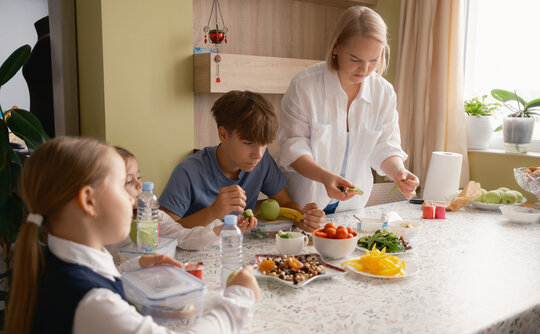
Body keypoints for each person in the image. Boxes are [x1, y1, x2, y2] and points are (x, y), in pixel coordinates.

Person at [2, 137, 259, 334]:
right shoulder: (91, 303)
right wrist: (238, 298)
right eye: (122, 186)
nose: (134, 197)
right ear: (89, 201)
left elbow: (93, 280)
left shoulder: (56, 262)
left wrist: (132, 268)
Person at [278, 6, 419, 214]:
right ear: (336, 47)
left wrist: (399, 171)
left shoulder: (384, 92)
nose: (364, 70)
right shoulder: (305, 85)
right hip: (305, 208)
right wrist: (325, 177)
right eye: (355, 59)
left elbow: (385, 146)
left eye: (373, 60)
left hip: (352, 209)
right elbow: (293, 148)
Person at [159, 91, 325, 232]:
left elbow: (286, 202)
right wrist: (213, 212)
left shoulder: (262, 162)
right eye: (247, 143)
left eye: (263, 143)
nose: (258, 154)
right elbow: (162, 230)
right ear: (223, 134)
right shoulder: (188, 172)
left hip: (233, 250)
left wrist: (303, 217)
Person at [113, 146, 253, 252]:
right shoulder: (103, 227)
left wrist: (222, 229)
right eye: (129, 181)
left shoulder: (155, 217)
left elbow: (184, 237)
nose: (139, 185)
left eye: (139, 177)